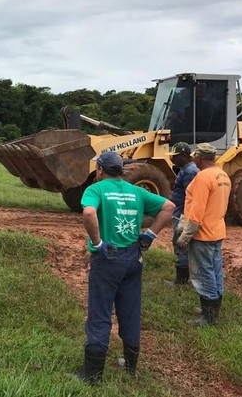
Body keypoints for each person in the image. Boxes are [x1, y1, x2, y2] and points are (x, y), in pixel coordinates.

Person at [75, 151, 174, 384]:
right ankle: (130, 366)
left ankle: (92, 375)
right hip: (133, 258)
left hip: (108, 258)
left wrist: (97, 242)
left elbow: (89, 212)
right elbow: (169, 206)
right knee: (130, 311)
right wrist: (149, 234)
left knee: (100, 313)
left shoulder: (96, 190)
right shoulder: (136, 191)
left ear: (100, 169)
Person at [177, 143, 231, 326]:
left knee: (203, 273)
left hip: (203, 234)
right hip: (217, 230)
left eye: (195, 156)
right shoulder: (222, 175)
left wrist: (185, 235)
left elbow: (197, 211)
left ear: (199, 157)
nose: (193, 159)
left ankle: (208, 317)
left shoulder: (202, 177)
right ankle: (213, 308)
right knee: (215, 270)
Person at [165, 142, 199, 285]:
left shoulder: (190, 172)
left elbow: (190, 197)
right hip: (179, 211)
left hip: (182, 213)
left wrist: (184, 218)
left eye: (175, 156)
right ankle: (185, 278)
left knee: (181, 244)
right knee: (180, 244)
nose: (172, 159)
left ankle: (182, 280)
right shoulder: (186, 169)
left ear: (184, 156)